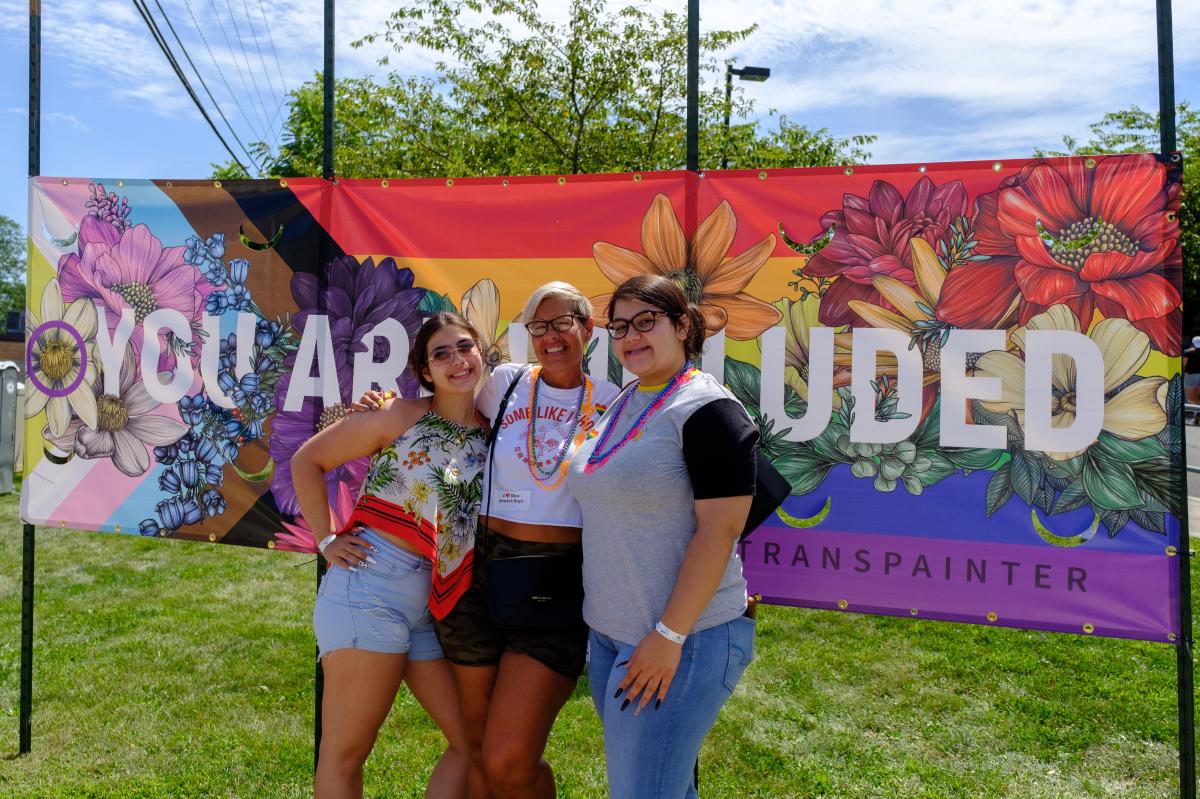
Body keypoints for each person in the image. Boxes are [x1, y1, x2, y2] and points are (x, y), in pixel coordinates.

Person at [357, 282, 620, 799]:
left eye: (563, 322)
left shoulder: (616, 404)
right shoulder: (506, 382)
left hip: (556, 583)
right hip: (478, 575)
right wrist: (387, 406)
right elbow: (444, 400)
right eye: (538, 327)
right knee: (477, 745)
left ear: (588, 329)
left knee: (510, 759)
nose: (551, 336)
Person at [566, 274, 758, 798]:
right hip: (613, 635)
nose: (631, 336)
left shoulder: (707, 410)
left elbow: (721, 531)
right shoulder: (631, 398)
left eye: (646, 321)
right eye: (620, 326)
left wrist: (668, 637)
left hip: (681, 639)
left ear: (682, 325)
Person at [294, 312, 488, 799]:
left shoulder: (493, 432)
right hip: (369, 586)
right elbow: (307, 461)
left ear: (481, 352)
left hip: (428, 603)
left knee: (471, 742)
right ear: (424, 371)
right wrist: (326, 539)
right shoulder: (400, 415)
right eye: (439, 354)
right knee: (347, 753)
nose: (456, 361)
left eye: (464, 347)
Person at [1185, 335, 1200, 425]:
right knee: (1197, 399)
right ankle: (1197, 418)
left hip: (1192, 375)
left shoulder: (1189, 352)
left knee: (1190, 399)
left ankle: (1196, 418)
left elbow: (1184, 364)